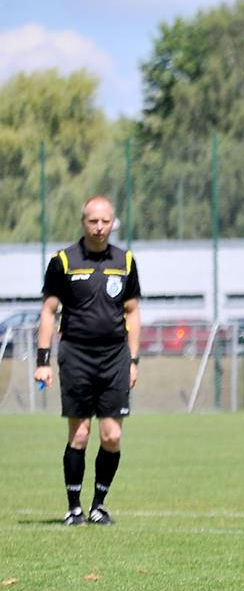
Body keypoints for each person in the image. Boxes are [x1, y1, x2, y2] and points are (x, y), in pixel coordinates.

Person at [34, 196, 141, 526]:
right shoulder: (63, 261)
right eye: (93, 221)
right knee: (79, 434)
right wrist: (43, 360)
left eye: (105, 221)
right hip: (76, 355)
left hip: (115, 357)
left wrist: (134, 360)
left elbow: (133, 312)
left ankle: (98, 505)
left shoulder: (125, 261)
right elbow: (49, 312)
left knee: (111, 436)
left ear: (112, 223)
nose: (99, 227)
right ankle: (74, 508)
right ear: (83, 223)